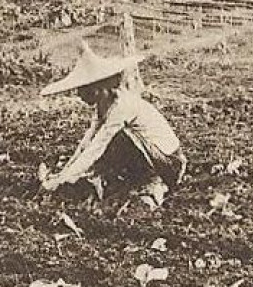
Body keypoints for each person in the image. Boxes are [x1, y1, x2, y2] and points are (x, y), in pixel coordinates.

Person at [38, 44, 186, 200]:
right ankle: (109, 181)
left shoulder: (123, 105)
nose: (80, 95)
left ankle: (152, 183)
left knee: (119, 138)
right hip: (149, 156)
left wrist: (63, 179)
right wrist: (64, 174)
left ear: (103, 87)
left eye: (86, 89)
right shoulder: (104, 106)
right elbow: (87, 142)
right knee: (105, 146)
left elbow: (97, 147)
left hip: (169, 163)